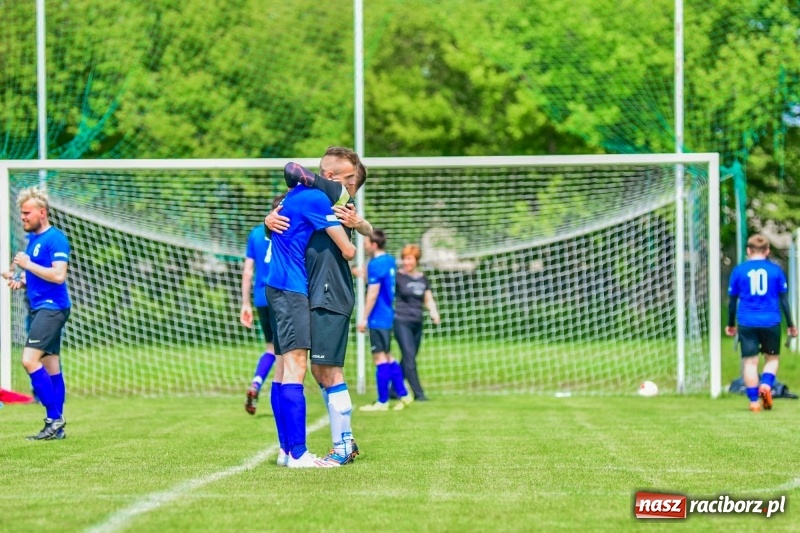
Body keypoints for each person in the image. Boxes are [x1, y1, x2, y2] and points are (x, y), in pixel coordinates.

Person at [267, 147, 372, 466]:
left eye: (352, 181)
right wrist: (268, 219)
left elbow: (363, 237)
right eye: (349, 180)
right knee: (307, 368)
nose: (351, 189)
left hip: (330, 294)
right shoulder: (315, 198)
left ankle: (342, 445)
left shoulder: (343, 207)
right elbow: (284, 222)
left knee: (325, 368)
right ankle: (316, 446)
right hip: (307, 292)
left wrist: (361, 224)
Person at [1, 187, 71, 440]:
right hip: (41, 307)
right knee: (51, 366)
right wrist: (21, 279)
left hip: (52, 309)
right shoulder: (33, 241)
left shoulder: (56, 239)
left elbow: (58, 275)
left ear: (42, 213)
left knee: (29, 360)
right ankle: (56, 428)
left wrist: (27, 265)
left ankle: (54, 417)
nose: (23, 218)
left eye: (27, 213)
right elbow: (37, 275)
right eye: (21, 214)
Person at [725, 234, 798, 412]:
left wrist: (731, 324)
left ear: (748, 251)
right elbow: (784, 301)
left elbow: (732, 301)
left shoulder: (739, 270)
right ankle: (766, 385)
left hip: (746, 321)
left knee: (750, 362)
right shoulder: (776, 270)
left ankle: (753, 401)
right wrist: (791, 324)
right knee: (772, 358)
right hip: (771, 321)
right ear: (767, 251)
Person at [357, 229, 413, 412]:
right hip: (388, 313)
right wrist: (363, 275)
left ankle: (382, 401)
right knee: (388, 356)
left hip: (377, 316)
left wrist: (364, 318)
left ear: (373, 245)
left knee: (380, 358)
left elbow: (373, 293)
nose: (364, 246)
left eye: (366, 243)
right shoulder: (389, 260)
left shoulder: (375, 263)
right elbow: (381, 282)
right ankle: (404, 395)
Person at [240, 193, 285, 415]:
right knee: (285, 351)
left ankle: (256, 383)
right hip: (282, 295)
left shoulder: (256, 233)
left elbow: (248, 270)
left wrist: (245, 303)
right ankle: (283, 399)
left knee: (271, 347)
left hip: (260, 297)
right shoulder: (289, 229)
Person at [393, 244, 440, 402]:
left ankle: (393, 389)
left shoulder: (422, 278)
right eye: (405, 259)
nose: (407, 262)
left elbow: (428, 298)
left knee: (408, 357)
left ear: (416, 260)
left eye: (410, 259)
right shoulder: (398, 277)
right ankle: (419, 394)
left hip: (417, 322)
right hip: (401, 321)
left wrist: (434, 312)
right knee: (410, 358)